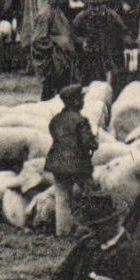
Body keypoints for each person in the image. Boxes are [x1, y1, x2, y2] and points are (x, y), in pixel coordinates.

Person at [45, 84, 97, 237]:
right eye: (81, 99)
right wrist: (94, 142)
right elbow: (88, 143)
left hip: (57, 163)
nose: (83, 102)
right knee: (90, 194)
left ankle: (62, 231)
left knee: (62, 198)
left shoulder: (55, 120)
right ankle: (93, 227)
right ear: (75, 101)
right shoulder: (81, 121)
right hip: (78, 165)